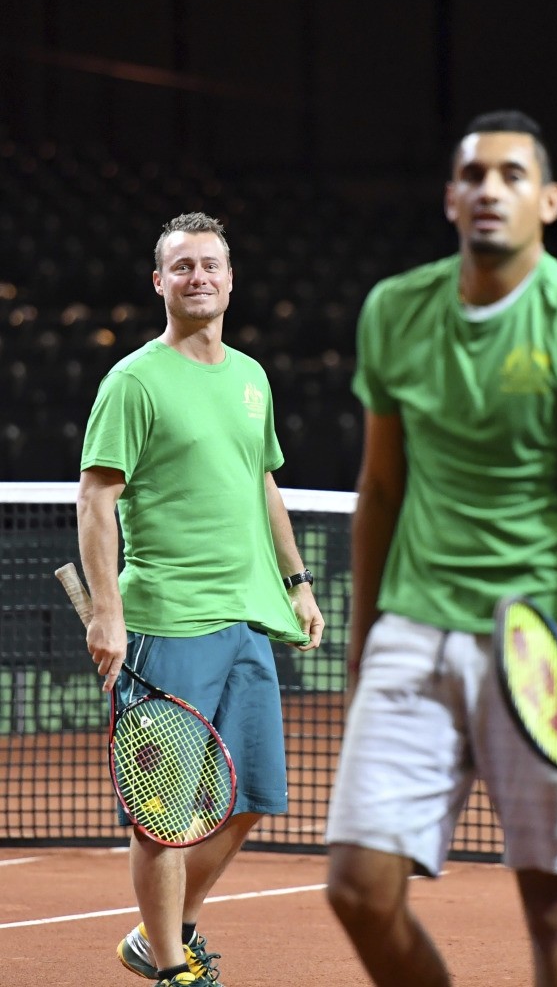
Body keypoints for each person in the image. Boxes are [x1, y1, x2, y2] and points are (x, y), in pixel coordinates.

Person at [325, 110, 557, 987]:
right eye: (473, 175)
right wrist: (362, 647)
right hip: (415, 623)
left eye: (512, 175)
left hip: (547, 638)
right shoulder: (395, 311)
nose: (489, 190)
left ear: (547, 201)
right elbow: (380, 490)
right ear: (449, 199)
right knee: (357, 888)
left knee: (555, 909)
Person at [77, 212, 324, 987]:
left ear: (229, 279)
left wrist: (296, 581)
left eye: (209, 264)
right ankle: (171, 968)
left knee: (249, 800)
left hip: (248, 618)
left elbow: (262, 482)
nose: (198, 277)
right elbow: (95, 498)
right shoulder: (134, 382)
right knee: (163, 815)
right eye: (181, 266)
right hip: (167, 623)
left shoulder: (251, 377)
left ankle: (165, 934)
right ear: (160, 282)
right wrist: (108, 610)